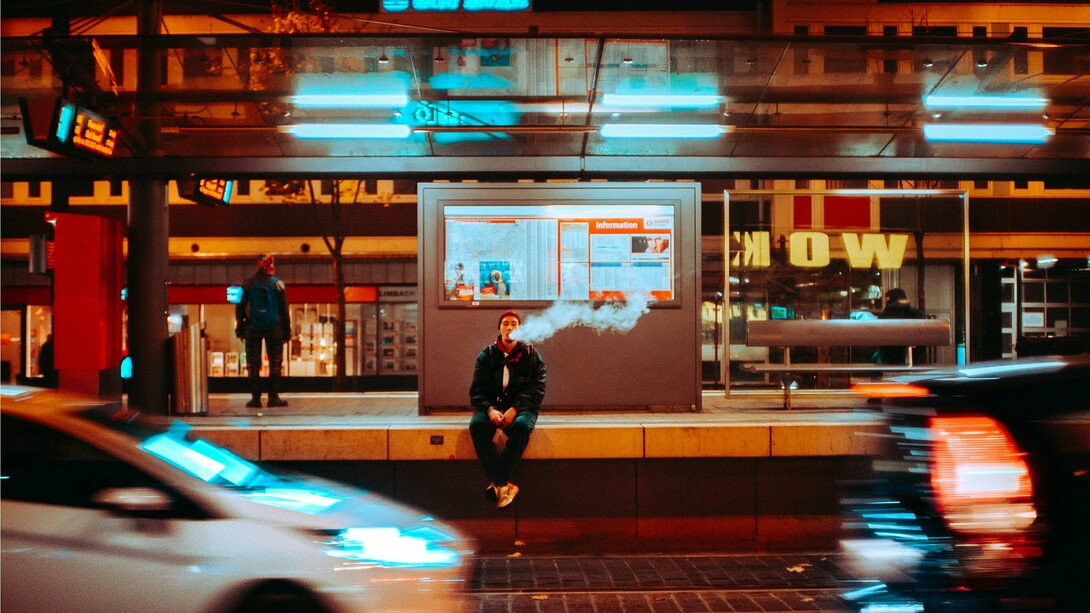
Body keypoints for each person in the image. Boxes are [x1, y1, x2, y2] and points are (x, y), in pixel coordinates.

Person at [469, 310, 546, 509]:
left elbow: (538, 388)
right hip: (493, 407)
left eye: (514, 324)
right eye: (505, 323)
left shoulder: (531, 355)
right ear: (499, 328)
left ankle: (498, 482)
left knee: (521, 427)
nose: (509, 327)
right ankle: (504, 483)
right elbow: (477, 391)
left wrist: (515, 408)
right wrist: (490, 410)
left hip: (521, 408)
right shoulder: (487, 355)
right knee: (477, 426)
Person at [235, 253, 292, 408]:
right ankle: (273, 397)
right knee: (275, 362)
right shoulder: (278, 284)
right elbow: (284, 310)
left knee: (253, 363)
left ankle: (255, 398)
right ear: (272, 266)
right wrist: (287, 332)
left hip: (252, 328)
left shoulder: (247, 284)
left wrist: (240, 328)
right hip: (275, 329)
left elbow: (239, 307)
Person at [873, 287, 926, 364]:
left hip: (889, 358)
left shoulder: (884, 316)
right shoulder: (917, 313)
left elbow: (879, 339)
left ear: (889, 300)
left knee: (875, 357)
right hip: (915, 358)